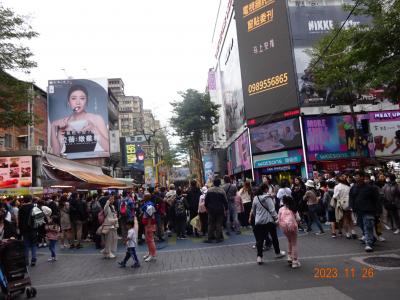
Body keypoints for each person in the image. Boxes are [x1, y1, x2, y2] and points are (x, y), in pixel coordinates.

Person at [50, 84, 109, 156]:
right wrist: (53, 127)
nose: (78, 102)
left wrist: (94, 129)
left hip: (93, 163)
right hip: (69, 165)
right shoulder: (63, 123)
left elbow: (108, 149)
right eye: (74, 98)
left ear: (86, 101)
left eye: (82, 98)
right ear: (68, 102)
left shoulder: (96, 119)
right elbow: (56, 153)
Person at [249, 183, 285, 265]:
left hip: (259, 221)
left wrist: (257, 217)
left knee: (260, 240)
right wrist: (277, 218)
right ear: (265, 189)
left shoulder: (255, 198)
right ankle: (277, 252)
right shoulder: (268, 198)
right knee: (274, 237)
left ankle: (259, 257)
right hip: (269, 221)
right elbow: (272, 210)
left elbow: (253, 211)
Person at [350, 172, 380, 252]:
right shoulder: (353, 187)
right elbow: (351, 197)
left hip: (368, 210)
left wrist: (378, 211)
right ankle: (371, 238)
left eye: (357, 176)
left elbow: (376, 199)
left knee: (368, 226)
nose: (356, 177)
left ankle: (368, 243)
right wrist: (351, 207)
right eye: (355, 176)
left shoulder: (370, 188)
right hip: (358, 211)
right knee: (361, 225)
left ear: (363, 177)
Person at [278, 196, 301, 268]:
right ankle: (295, 261)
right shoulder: (293, 209)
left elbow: (278, 219)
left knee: (289, 241)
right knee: (294, 244)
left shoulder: (281, 209)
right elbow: (298, 218)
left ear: (284, 202)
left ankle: (289, 256)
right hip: (293, 228)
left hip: (285, 229)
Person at [204, 178, 228, 243]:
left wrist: (207, 207)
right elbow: (225, 201)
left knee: (210, 224)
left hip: (211, 210)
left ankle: (209, 238)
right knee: (219, 224)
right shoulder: (222, 191)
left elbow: (206, 201)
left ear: (213, 183)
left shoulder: (209, 190)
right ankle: (218, 238)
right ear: (219, 183)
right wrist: (226, 209)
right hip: (220, 210)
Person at [333, 174, 355, 239]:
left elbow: (335, 196)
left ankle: (347, 233)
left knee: (345, 218)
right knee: (350, 218)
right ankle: (353, 232)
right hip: (350, 203)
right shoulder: (348, 186)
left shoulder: (337, 187)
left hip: (342, 203)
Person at [18, 195, 38, 266]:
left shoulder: (21, 208)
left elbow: (19, 220)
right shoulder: (34, 207)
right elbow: (39, 219)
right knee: (33, 244)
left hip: (24, 229)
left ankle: (26, 260)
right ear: (30, 200)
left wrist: (20, 229)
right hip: (33, 229)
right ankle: (33, 259)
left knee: (26, 245)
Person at [142, 194, 157, 262]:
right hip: (147, 224)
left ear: (146, 197)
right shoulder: (147, 204)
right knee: (148, 240)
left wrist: (149, 224)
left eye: (144, 196)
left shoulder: (149, 205)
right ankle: (150, 253)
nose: (143, 197)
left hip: (149, 224)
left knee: (150, 240)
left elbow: (150, 215)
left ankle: (152, 254)